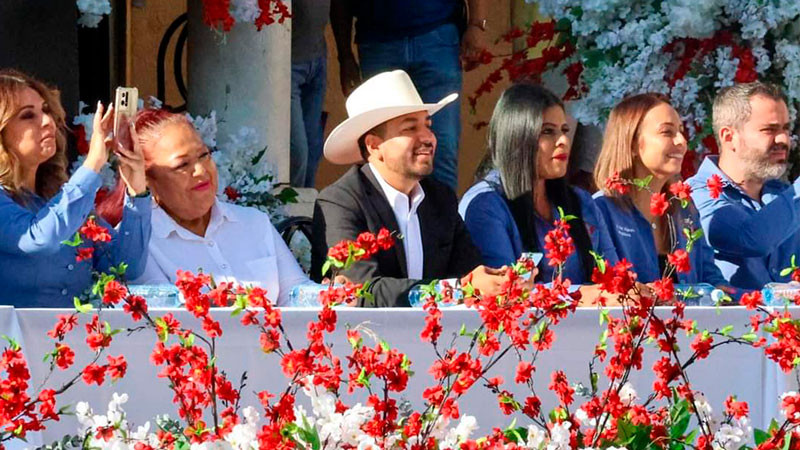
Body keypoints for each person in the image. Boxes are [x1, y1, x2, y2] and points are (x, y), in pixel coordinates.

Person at [310, 70, 506, 307]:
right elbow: (360, 291)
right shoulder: (339, 201)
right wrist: (458, 290)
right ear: (374, 146)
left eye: (428, 125)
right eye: (410, 128)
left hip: (439, 338)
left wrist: (501, 283)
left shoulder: (440, 198)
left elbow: (469, 272)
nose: (428, 137)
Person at [122, 109, 307, 306]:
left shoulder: (253, 221)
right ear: (146, 178)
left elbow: (294, 291)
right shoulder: (138, 243)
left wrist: (334, 295)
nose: (201, 170)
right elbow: (163, 316)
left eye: (204, 155)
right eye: (182, 165)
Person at [0, 69, 151, 307]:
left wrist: (136, 190)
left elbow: (125, 266)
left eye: (46, 111)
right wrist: (93, 164)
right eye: (28, 116)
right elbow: (38, 239)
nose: (48, 122)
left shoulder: (63, 199)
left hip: (70, 342)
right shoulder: (65, 200)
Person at [459, 83, 617, 285]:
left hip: (590, 316)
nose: (563, 141)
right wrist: (586, 296)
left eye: (564, 130)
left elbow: (612, 276)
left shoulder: (581, 201)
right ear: (517, 137)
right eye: (548, 132)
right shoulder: (485, 205)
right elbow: (503, 293)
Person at [331, 0, 489, 190]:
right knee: (385, 150)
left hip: (438, 35)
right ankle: (389, 218)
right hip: (377, 41)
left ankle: (443, 219)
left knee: (441, 150)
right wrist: (345, 55)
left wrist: (477, 24)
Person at [593, 93, 728, 288]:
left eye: (681, 131)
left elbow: (711, 280)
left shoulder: (685, 210)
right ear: (631, 143)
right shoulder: (601, 211)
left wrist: (763, 300)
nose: (682, 141)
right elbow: (608, 291)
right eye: (667, 132)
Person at [687, 82, 798, 289]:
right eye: (769, 130)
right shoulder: (694, 195)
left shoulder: (783, 194)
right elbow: (751, 239)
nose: (784, 139)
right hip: (733, 322)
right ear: (729, 137)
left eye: (785, 128)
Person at [290, 0, 330, 188]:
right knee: (297, 151)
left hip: (317, 59)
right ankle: (291, 213)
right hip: (288, 65)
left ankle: (305, 213)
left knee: (313, 148)